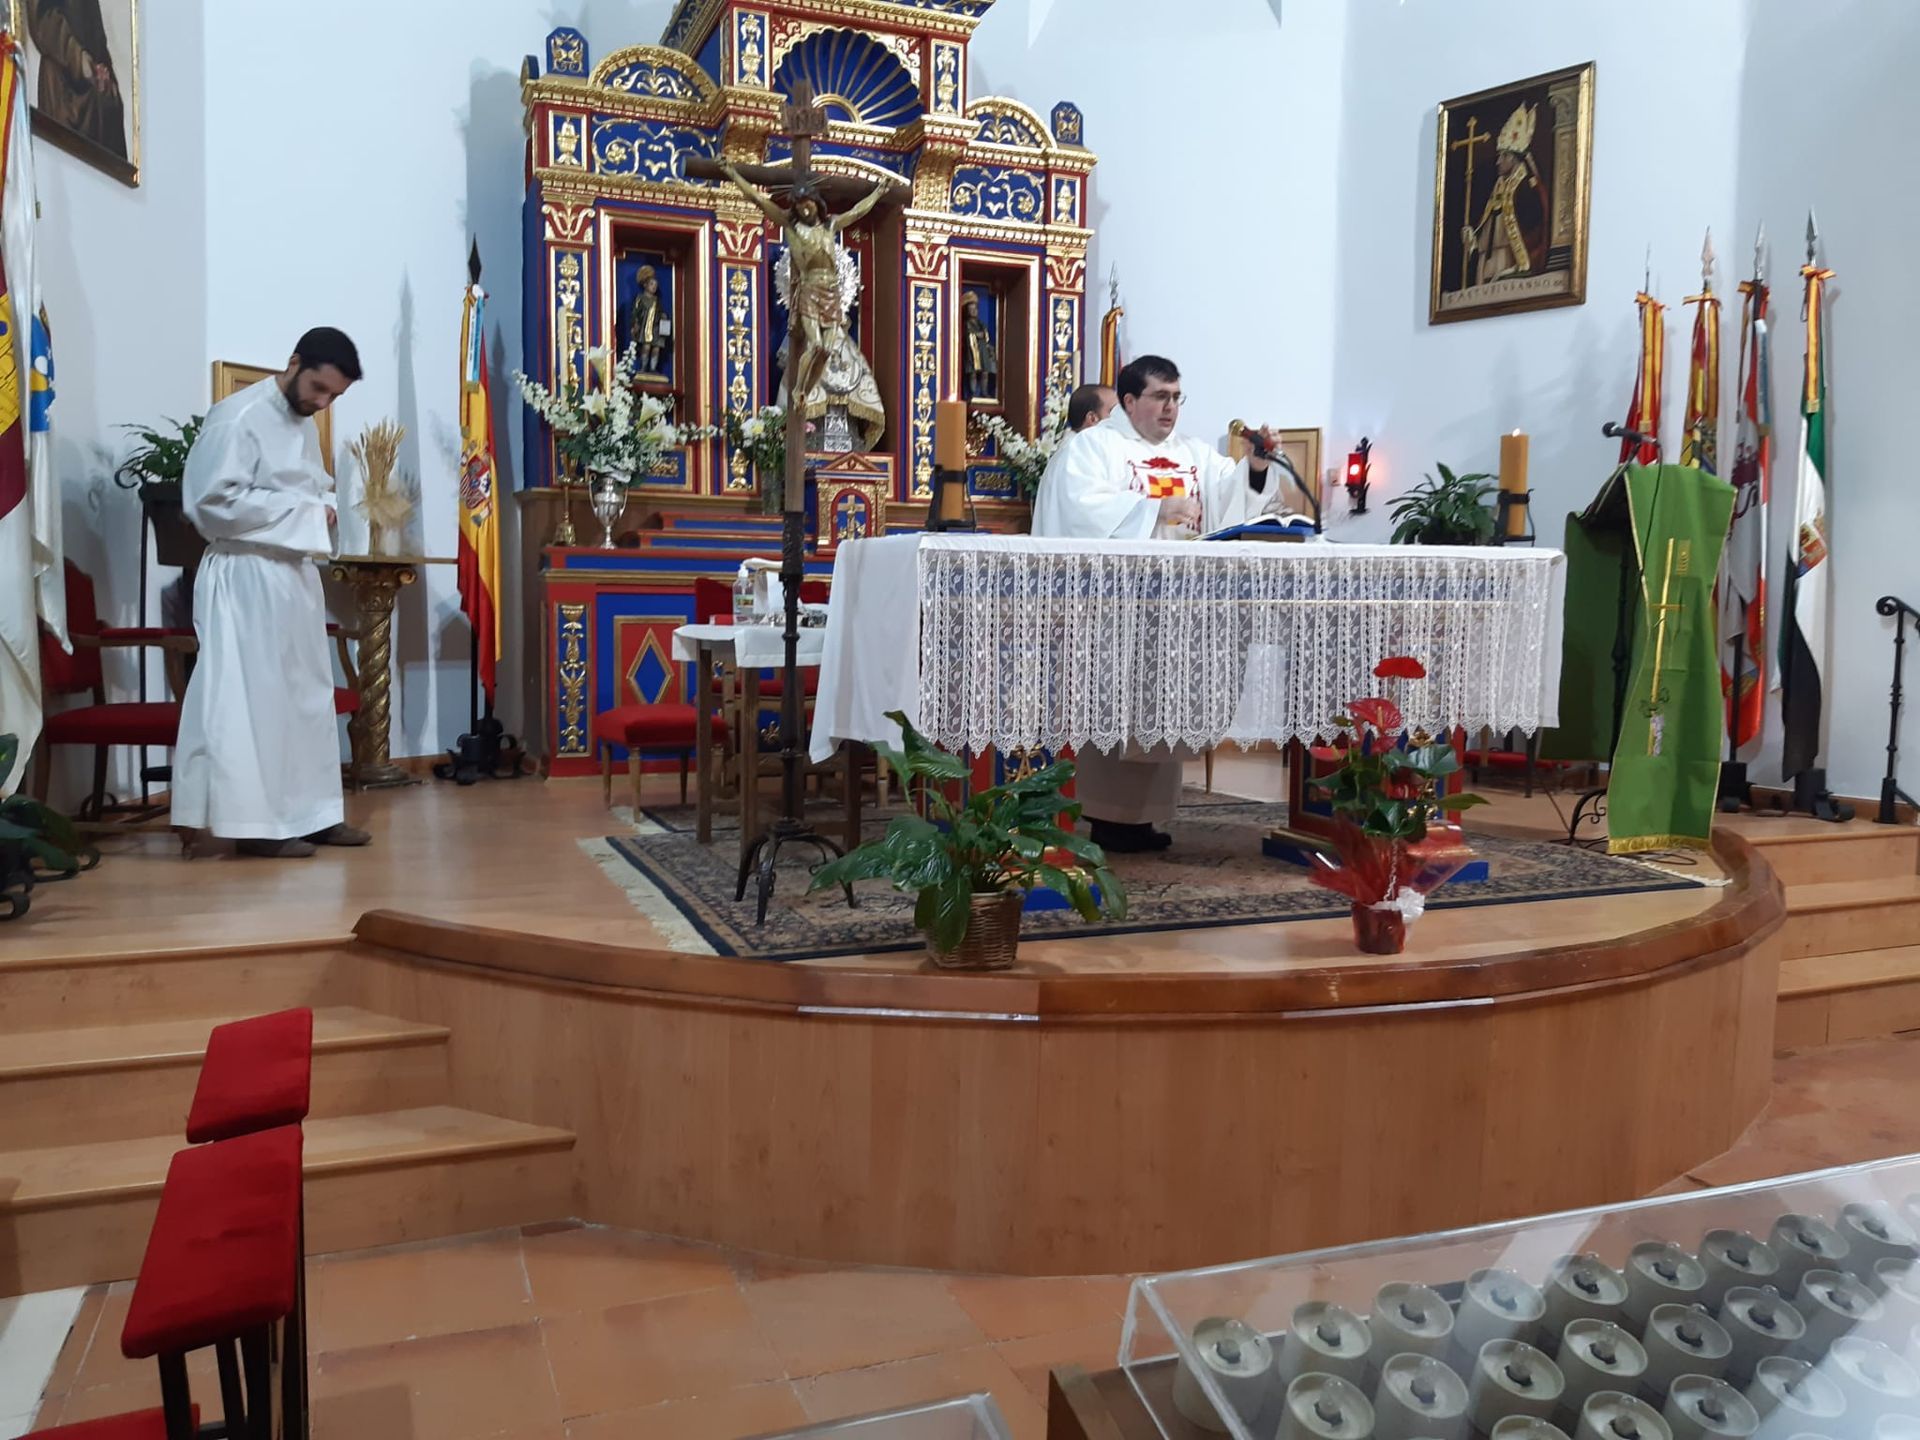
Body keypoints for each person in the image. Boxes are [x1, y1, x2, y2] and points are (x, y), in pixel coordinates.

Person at [1033, 355, 1309, 852]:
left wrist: (1256, 467)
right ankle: (1103, 816)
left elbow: (1230, 500)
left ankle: (1143, 817)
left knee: (1162, 710)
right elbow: (1080, 511)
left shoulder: (1193, 452)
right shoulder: (1092, 448)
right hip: (1114, 611)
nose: (1171, 408)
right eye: (1160, 396)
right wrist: (1155, 508)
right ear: (1129, 400)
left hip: (1178, 609)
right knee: (1114, 707)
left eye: (1177, 397)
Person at [171, 328, 367, 858]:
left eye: (334, 396)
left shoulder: (301, 422)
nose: (322, 403)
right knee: (253, 699)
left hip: (292, 575)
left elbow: (308, 485)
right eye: (319, 388)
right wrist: (307, 513)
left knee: (304, 699)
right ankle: (256, 826)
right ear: (294, 362)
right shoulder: (236, 418)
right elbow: (209, 503)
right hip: (246, 574)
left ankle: (314, 815)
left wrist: (325, 505)